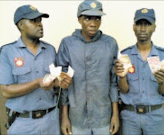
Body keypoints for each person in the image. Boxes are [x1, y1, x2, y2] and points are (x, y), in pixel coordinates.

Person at [0, 5, 72, 135]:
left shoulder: (50, 50)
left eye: (40, 20)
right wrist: (37, 83)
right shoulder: (7, 52)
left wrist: (60, 83)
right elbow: (6, 91)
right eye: (34, 21)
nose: (39, 25)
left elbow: (53, 83)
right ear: (21, 25)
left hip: (50, 121)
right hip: (22, 123)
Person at [57, 0, 119, 135]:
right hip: (77, 117)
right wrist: (64, 117)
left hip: (103, 116)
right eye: (87, 18)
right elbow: (63, 86)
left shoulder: (110, 43)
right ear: (79, 19)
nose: (93, 23)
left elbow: (113, 82)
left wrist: (115, 115)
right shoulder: (68, 44)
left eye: (97, 18)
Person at [114, 8, 164, 135]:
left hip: (155, 116)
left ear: (154, 27)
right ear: (133, 27)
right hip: (130, 117)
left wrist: (161, 82)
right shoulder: (125, 56)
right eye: (139, 24)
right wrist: (122, 77)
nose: (143, 29)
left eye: (147, 24)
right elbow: (124, 90)